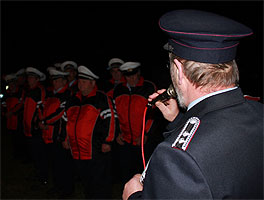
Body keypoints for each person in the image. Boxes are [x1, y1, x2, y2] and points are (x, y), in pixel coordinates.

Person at [123, 9, 263, 199]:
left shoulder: (178, 159)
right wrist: (178, 120)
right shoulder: (258, 111)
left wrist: (133, 197)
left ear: (179, 70)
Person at [60, 65, 116, 199]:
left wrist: (107, 141)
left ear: (92, 83)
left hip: (95, 150)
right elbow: (65, 121)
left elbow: (111, 120)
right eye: (79, 82)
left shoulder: (101, 98)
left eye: (84, 82)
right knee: (86, 182)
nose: (80, 85)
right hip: (77, 150)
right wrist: (64, 138)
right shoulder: (73, 100)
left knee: (99, 183)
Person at [113, 61, 156, 186]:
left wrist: (146, 134)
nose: (131, 78)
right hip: (125, 140)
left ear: (139, 73)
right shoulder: (119, 90)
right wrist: (118, 133)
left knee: (145, 174)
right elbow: (115, 115)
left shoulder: (148, 87)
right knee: (127, 174)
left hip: (143, 141)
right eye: (127, 76)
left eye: (133, 75)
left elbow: (153, 115)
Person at [39, 69, 74, 197]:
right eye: (54, 80)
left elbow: (60, 113)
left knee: (63, 164)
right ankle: (57, 186)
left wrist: (45, 122)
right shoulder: (51, 94)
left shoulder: (67, 94)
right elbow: (42, 107)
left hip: (59, 135)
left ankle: (67, 189)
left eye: (58, 80)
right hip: (48, 134)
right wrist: (41, 121)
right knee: (54, 163)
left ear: (64, 81)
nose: (55, 82)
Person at [1, 74, 24, 158]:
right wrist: (4, 113)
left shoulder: (20, 92)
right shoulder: (7, 94)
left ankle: (22, 155)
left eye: (12, 83)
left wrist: (12, 112)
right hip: (9, 120)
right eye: (9, 84)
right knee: (13, 138)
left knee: (20, 138)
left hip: (18, 119)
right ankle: (16, 153)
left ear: (15, 83)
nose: (11, 86)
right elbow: (3, 105)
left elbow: (20, 104)